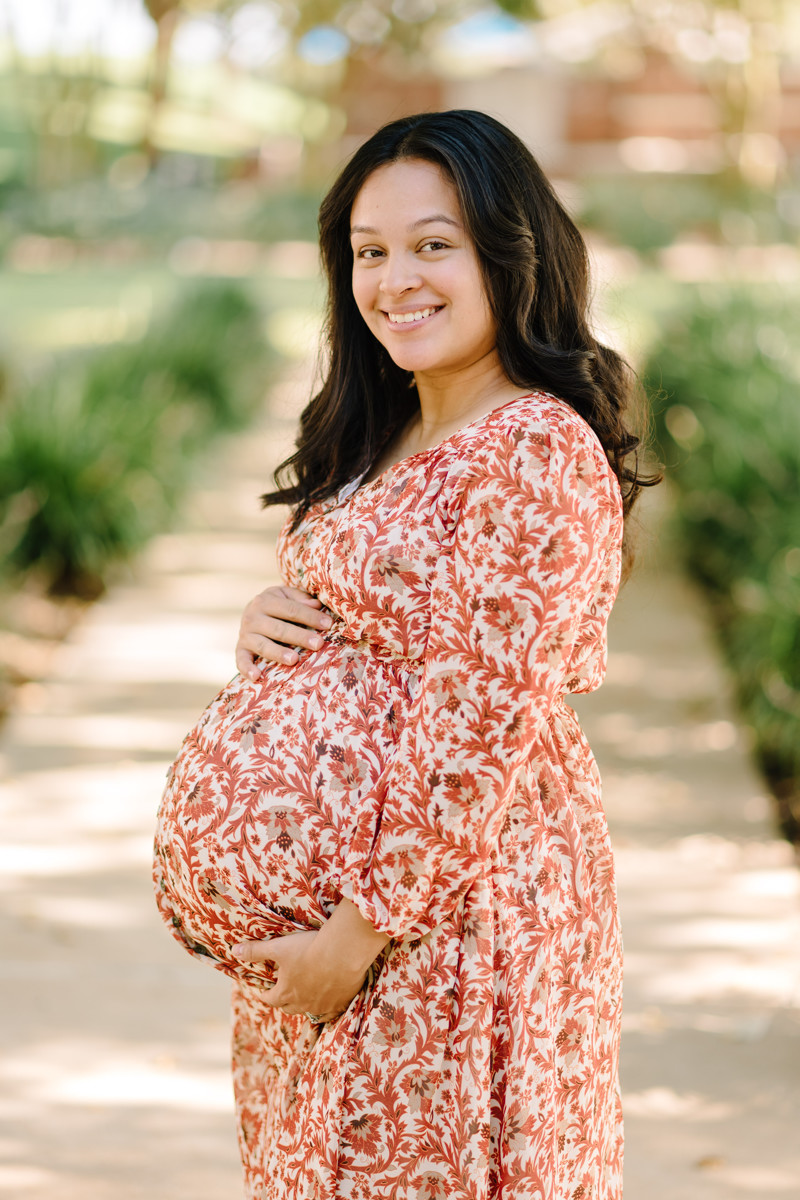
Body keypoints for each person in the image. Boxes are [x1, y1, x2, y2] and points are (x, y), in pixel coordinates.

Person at [153, 109, 656, 1200]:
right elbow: (370, 623)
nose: (393, 280)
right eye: (368, 252)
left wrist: (355, 933)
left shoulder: (532, 446)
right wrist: (268, 624)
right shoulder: (385, 432)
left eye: (434, 244)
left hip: (441, 927)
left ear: (508, 252)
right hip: (349, 946)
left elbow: (479, 727)